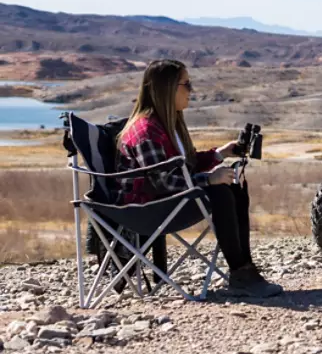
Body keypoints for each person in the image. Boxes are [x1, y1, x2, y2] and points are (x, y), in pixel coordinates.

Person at [113, 59, 283, 298]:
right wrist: (208, 180)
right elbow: (163, 182)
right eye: (186, 84)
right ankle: (241, 273)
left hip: (164, 202)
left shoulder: (166, 124)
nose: (191, 91)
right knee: (220, 191)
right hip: (145, 209)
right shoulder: (146, 131)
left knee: (233, 187)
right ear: (167, 88)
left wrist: (219, 154)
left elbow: (183, 165)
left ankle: (244, 270)